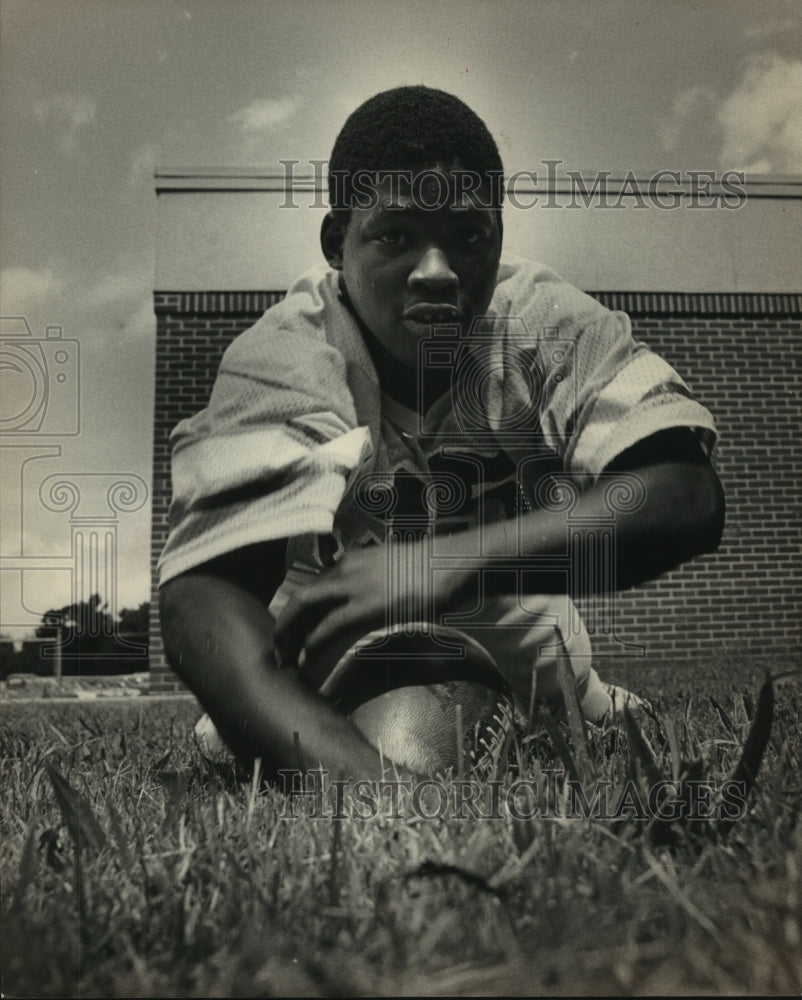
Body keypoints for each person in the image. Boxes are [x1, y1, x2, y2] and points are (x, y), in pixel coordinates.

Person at [158, 86, 724, 781]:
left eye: (468, 237)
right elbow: (203, 596)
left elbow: (684, 493)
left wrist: (431, 568)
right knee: (230, 737)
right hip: (333, 653)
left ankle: (597, 702)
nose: (437, 271)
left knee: (587, 710)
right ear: (339, 242)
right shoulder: (289, 352)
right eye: (395, 235)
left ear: (499, 239)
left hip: (529, 645)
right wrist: (368, 788)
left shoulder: (541, 319)